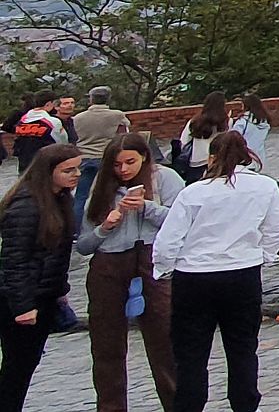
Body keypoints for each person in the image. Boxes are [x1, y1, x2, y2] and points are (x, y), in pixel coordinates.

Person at [152, 132, 279, 412]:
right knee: (242, 347)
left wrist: (164, 268)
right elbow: (276, 230)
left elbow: (168, 239)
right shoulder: (265, 187)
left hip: (194, 276)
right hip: (242, 273)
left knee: (190, 353)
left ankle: (189, 405)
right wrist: (262, 256)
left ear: (211, 157)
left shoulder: (194, 192)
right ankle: (245, 404)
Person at [78, 132, 183, 412]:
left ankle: (178, 403)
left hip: (152, 260)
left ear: (144, 158)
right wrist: (105, 227)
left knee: (164, 339)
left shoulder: (165, 178)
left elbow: (183, 221)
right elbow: (84, 244)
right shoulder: (102, 188)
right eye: (116, 164)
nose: (123, 169)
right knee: (106, 345)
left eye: (129, 162)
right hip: (109, 264)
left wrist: (147, 208)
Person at [0, 144, 77, 410]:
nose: (75, 174)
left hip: (44, 294)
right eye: (68, 170)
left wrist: (60, 288)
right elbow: (14, 260)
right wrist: (23, 306)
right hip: (23, 300)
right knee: (17, 368)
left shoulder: (59, 200)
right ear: (48, 171)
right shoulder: (27, 206)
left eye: (76, 168)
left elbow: (57, 254)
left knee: (24, 365)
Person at [72, 90, 130, 215]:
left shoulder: (78, 117)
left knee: (81, 196)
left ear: (91, 99)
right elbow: (126, 128)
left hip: (84, 157)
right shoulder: (116, 115)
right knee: (108, 193)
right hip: (105, 157)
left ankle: (76, 228)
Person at [178, 93, 228, 186]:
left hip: (196, 160)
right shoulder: (226, 122)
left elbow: (184, 141)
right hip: (216, 160)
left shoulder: (194, 121)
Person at [226, 95, 270, 167]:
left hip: (244, 157)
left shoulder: (242, 121)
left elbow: (232, 137)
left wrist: (229, 122)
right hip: (259, 156)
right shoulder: (264, 121)